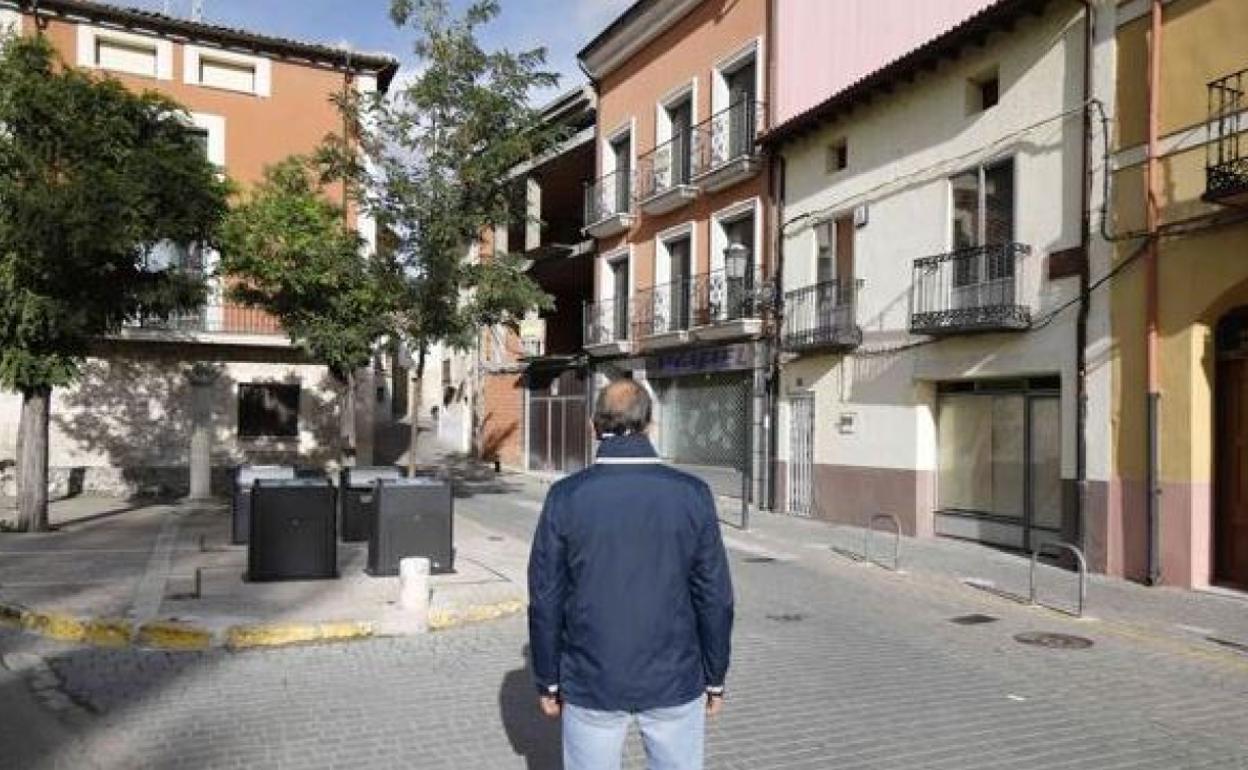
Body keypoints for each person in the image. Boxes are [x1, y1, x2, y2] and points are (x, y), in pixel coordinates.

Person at [527, 379, 734, 770]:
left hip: (591, 679)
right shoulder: (692, 494)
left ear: (593, 426)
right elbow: (714, 595)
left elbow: (546, 596)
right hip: (675, 677)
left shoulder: (566, 497)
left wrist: (548, 679)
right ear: (650, 424)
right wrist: (715, 675)